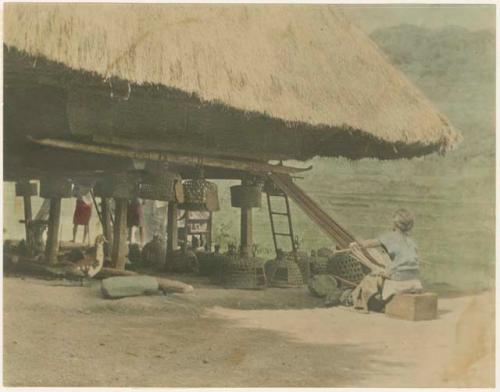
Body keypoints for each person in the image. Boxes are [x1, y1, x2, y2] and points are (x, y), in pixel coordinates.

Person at [349, 208, 423, 312]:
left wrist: (354, 239)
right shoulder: (412, 242)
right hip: (415, 282)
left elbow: (364, 244)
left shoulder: (389, 237)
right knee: (384, 272)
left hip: (398, 281)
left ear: (394, 224)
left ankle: (367, 303)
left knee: (370, 278)